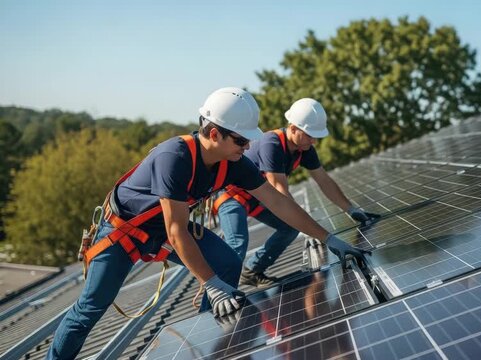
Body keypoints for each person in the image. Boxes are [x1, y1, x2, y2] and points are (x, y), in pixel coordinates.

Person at [47, 88, 368, 360]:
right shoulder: (174, 157)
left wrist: (328, 239)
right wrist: (211, 285)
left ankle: (208, 338)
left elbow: (279, 201)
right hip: (122, 234)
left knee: (226, 260)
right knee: (90, 310)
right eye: (242, 141)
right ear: (215, 134)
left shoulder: (234, 164)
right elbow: (176, 230)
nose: (247, 148)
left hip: (163, 230)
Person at [215, 98, 380, 288]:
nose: (314, 140)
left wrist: (350, 209)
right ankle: (219, 294)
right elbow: (280, 192)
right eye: (309, 135)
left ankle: (252, 271)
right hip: (233, 196)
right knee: (237, 244)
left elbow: (324, 180)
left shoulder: (305, 149)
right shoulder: (272, 143)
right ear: (293, 128)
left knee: (289, 229)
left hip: (259, 199)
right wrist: (312, 229)